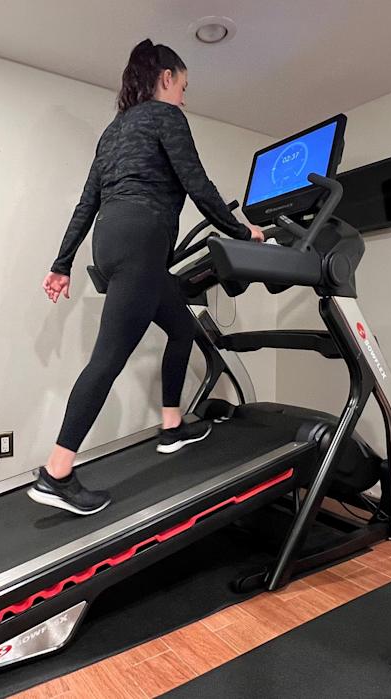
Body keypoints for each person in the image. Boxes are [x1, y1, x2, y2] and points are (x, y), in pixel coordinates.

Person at [28, 39, 265, 515]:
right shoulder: (166, 117)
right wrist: (243, 231)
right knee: (108, 357)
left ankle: (172, 426)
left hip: (111, 241)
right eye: (183, 85)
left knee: (181, 328)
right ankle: (56, 473)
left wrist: (62, 262)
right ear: (165, 78)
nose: (184, 95)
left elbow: (86, 203)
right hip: (140, 241)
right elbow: (196, 182)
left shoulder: (113, 132)